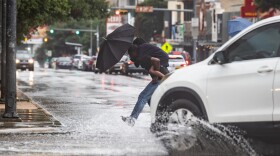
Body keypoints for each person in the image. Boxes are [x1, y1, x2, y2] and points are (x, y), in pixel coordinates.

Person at [121, 43, 169, 127]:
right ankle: (160, 119)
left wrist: (156, 76)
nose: (130, 56)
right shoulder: (143, 53)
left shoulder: (143, 55)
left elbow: (157, 61)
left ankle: (132, 119)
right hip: (162, 76)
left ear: (134, 52)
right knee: (151, 99)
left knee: (143, 96)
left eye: (130, 54)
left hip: (161, 78)